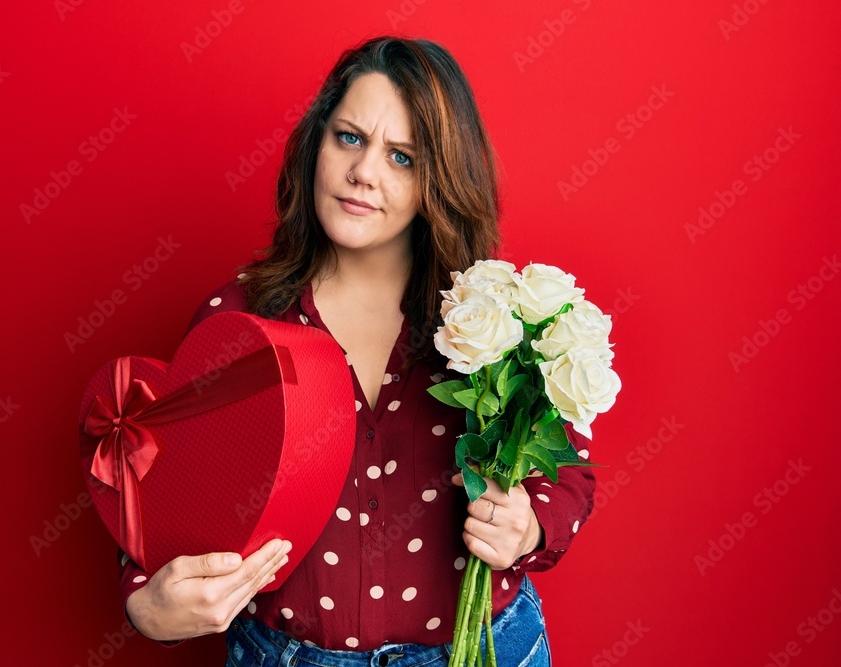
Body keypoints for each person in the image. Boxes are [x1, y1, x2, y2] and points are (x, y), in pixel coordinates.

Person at [118, 36, 596, 666]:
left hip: (482, 651)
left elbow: (569, 472)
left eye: (402, 157)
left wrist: (528, 526)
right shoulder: (237, 321)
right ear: (316, 143)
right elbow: (170, 498)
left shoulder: (497, 318)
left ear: (441, 179)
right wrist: (145, 606)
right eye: (349, 138)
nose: (364, 172)